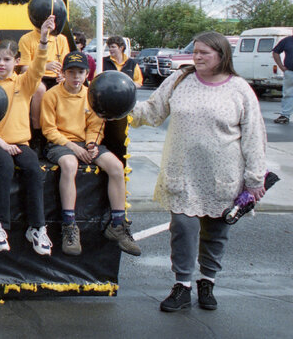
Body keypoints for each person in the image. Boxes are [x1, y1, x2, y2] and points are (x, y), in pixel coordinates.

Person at [130, 31, 267, 313]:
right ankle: (182, 284)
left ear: (222, 55)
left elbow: (254, 135)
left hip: (223, 174)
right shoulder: (179, 80)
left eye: (205, 52)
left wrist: (254, 180)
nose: (198, 56)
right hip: (182, 170)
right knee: (183, 226)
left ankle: (208, 281)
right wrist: (118, 105)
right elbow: (152, 111)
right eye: (196, 51)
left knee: (216, 231)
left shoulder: (240, 89)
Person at [41, 51, 140, 257]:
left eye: (80, 72)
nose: (76, 77)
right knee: (69, 164)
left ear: (87, 74)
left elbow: (95, 126)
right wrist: (74, 147)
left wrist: (91, 145)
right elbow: (49, 129)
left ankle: (118, 224)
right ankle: (69, 224)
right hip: (61, 143)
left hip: (86, 143)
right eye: (71, 72)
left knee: (115, 167)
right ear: (64, 73)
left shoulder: (91, 95)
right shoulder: (52, 95)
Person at [0, 16, 55, 257]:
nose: (2, 64)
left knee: (33, 169)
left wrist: (43, 39)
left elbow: (38, 66)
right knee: (3, 167)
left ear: (16, 61)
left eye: (6, 60)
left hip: (21, 142)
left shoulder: (24, 83)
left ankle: (37, 227)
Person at [101, 35, 143, 159]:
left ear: (121, 48)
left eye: (113, 47)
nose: (111, 50)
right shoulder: (103, 62)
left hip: (124, 106)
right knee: (106, 133)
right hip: (107, 105)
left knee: (121, 136)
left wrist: (125, 85)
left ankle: (121, 160)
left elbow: (138, 82)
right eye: (109, 47)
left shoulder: (132, 63)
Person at [272, 33, 293, 124]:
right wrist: (281, 67)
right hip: (290, 71)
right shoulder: (287, 40)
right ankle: (285, 115)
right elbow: (275, 52)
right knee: (288, 93)